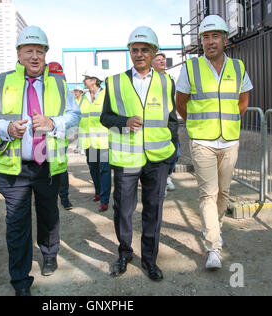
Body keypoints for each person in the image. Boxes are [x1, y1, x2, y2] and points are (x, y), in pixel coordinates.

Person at [0, 26, 81, 296]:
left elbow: (74, 115)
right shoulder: (1, 83)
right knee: (16, 223)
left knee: (48, 215)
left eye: (40, 51)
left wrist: (53, 122)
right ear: (19, 54)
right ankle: (20, 280)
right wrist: (5, 128)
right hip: (14, 168)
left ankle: (49, 252)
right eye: (29, 51)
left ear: (45, 54)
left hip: (47, 164)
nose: (35, 57)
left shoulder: (59, 83)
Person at [100, 26, 178, 282]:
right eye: (135, 50)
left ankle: (149, 259)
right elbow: (105, 118)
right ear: (129, 52)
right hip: (127, 158)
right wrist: (123, 121)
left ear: (154, 52)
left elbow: (171, 119)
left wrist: (173, 151)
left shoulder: (167, 82)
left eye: (145, 49)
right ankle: (124, 253)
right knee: (123, 210)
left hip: (158, 159)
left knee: (153, 210)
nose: (139, 54)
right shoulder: (115, 82)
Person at [175, 15, 253, 269]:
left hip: (229, 139)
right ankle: (214, 248)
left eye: (215, 36)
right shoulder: (190, 68)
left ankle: (214, 230)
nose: (210, 41)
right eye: (206, 37)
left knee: (224, 193)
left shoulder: (238, 67)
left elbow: (243, 102)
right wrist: (196, 125)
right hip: (202, 140)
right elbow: (181, 102)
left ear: (224, 39)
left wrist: (228, 122)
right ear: (201, 42)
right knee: (208, 194)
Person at [79, 66, 111, 212]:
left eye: (86, 78)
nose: (84, 80)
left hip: (104, 142)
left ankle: (104, 200)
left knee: (104, 170)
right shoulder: (82, 98)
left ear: (94, 80)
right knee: (93, 169)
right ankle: (98, 192)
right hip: (89, 142)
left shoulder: (107, 96)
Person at [49, 62, 73, 211]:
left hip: (59, 138)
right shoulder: (39, 91)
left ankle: (64, 198)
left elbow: (72, 116)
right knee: (43, 169)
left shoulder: (65, 93)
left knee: (61, 169)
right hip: (42, 137)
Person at [152, 51, 177, 194]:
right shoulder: (150, 80)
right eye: (159, 60)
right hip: (155, 123)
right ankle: (160, 182)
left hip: (170, 121)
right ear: (152, 64)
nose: (162, 61)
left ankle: (166, 176)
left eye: (163, 59)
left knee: (175, 152)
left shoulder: (171, 79)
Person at [72, 86, 84, 154]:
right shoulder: (74, 100)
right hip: (77, 120)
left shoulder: (84, 99)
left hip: (84, 119)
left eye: (77, 91)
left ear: (80, 92)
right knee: (78, 135)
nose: (75, 92)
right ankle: (78, 147)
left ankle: (82, 148)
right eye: (75, 91)